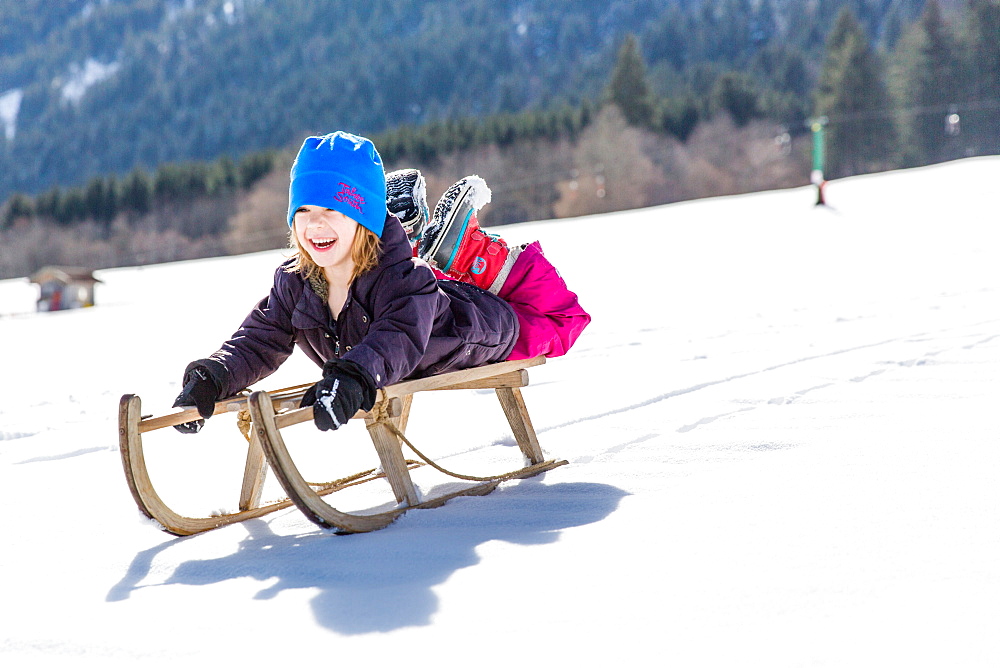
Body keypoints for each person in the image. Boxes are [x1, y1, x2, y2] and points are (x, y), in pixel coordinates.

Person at [173, 131, 589, 433]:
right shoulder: (295, 282)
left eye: (332, 210)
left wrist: (355, 375)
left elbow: (398, 337)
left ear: (364, 219)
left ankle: (472, 253)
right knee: (421, 279)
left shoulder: (403, 281)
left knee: (556, 321)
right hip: (395, 335)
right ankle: (423, 244)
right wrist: (215, 376)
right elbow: (260, 338)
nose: (314, 223)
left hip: (480, 328)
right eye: (303, 211)